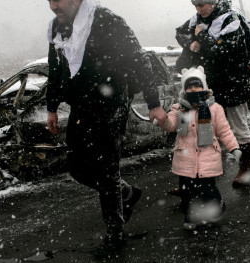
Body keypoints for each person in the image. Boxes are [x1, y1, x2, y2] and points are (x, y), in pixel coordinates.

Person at [45, 0, 167, 257]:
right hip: (81, 105)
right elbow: (56, 68)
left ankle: (115, 234)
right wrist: (52, 106)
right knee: (77, 167)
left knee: (105, 167)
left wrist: (154, 104)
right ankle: (127, 193)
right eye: (49, 0)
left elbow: (140, 60)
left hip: (111, 103)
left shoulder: (106, 21)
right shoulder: (57, 28)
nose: (54, 5)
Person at [175, 0, 250, 189]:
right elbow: (179, 32)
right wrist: (191, 42)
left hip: (231, 84)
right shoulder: (196, 19)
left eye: (202, 5)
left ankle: (246, 170)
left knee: (238, 128)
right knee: (197, 130)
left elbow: (223, 52)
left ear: (214, 2)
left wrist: (201, 36)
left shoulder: (231, 21)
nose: (198, 9)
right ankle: (194, 178)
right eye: (195, 5)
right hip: (205, 84)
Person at [157, 66, 241, 230]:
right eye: (189, 86)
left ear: (204, 86)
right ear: (184, 89)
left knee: (208, 191)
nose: (193, 89)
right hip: (185, 159)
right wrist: (163, 120)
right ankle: (190, 217)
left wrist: (233, 148)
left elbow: (224, 131)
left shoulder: (214, 108)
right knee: (187, 193)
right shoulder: (179, 109)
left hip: (208, 158)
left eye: (196, 85)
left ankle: (216, 208)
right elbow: (172, 125)